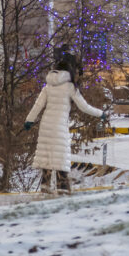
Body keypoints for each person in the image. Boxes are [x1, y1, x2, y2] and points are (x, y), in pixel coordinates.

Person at [25, 59, 106, 194]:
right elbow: (84, 107)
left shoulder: (48, 86)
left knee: (47, 157)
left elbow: (38, 105)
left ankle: (45, 189)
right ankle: (62, 189)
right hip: (59, 126)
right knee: (61, 158)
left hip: (46, 124)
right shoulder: (69, 87)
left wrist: (29, 120)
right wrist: (100, 114)